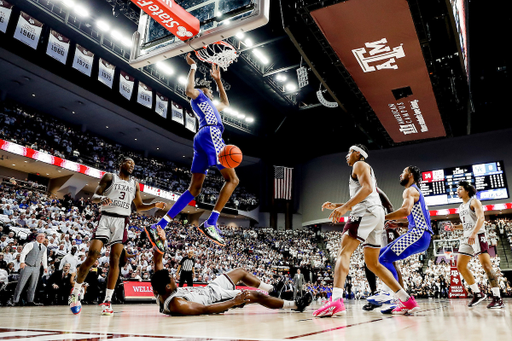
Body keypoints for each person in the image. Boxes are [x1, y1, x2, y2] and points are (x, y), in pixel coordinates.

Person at [313, 145, 419, 317]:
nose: (347, 156)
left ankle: (336, 301)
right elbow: (366, 194)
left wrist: (345, 207)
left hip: (365, 213)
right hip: (375, 216)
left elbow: (367, 190)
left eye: (349, 152)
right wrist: (338, 205)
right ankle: (406, 299)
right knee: (373, 264)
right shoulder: (365, 171)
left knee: (343, 252)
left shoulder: (359, 164)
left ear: (357, 153)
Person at [148, 55, 239, 248]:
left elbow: (226, 103)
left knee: (194, 189)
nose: (212, 93)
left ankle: (160, 224)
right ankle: (211, 222)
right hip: (211, 133)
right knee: (233, 179)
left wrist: (219, 81)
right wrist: (193, 67)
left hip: (201, 138)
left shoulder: (211, 106)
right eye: (210, 91)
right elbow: (188, 90)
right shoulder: (200, 96)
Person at [69, 155, 166, 316]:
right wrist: (102, 198)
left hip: (122, 221)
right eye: (129, 162)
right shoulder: (109, 177)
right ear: (121, 164)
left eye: (134, 164)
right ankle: (76, 292)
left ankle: (107, 300)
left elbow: (139, 206)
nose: (132, 166)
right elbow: (94, 196)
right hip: (106, 218)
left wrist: (153, 205)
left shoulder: (134, 184)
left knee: (115, 260)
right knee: (93, 255)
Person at [149, 227, 312, 315]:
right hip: (216, 297)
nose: (173, 278)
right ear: (168, 287)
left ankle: (273, 290)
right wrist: (234, 302)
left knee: (240, 271)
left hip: (210, 288)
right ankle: (296, 305)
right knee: (255, 296)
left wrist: (161, 240)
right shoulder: (177, 304)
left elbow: (157, 262)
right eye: (171, 279)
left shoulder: (162, 289)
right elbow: (206, 309)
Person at [367, 166, 432, 314]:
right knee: (377, 256)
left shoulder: (409, 190)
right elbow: (415, 217)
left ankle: (393, 295)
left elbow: (405, 211)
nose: (400, 174)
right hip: (421, 235)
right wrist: (399, 224)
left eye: (403, 172)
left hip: (418, 234)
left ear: (410, 175)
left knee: (383, 260)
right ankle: (401, 299)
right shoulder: (417, 192)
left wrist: (383, 217)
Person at [446, 181, 504, 309]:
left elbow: (481, 218)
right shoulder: (461, 207)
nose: (457, 191)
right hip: (467, 237)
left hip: (478, 235)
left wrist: (474, 233)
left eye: (460, 189)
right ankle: (478, 293)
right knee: (460, 266)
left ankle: (497, 297)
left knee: (486, 265)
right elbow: (467, 224)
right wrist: (455, 227)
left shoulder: (474, 201)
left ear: (467, 190)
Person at [9, 233, 48, 306]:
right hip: (28, 265)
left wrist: (45, 267)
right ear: (37, 237)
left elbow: (44, 258)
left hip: (37, 267)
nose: (42, 238)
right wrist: (22, 262)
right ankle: (15, 301)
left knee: (33, 285)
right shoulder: (31, 244)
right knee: (21, 284)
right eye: (40, 236)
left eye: (43, 237)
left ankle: (30, 300)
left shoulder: (44, 248)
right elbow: (23, 253)